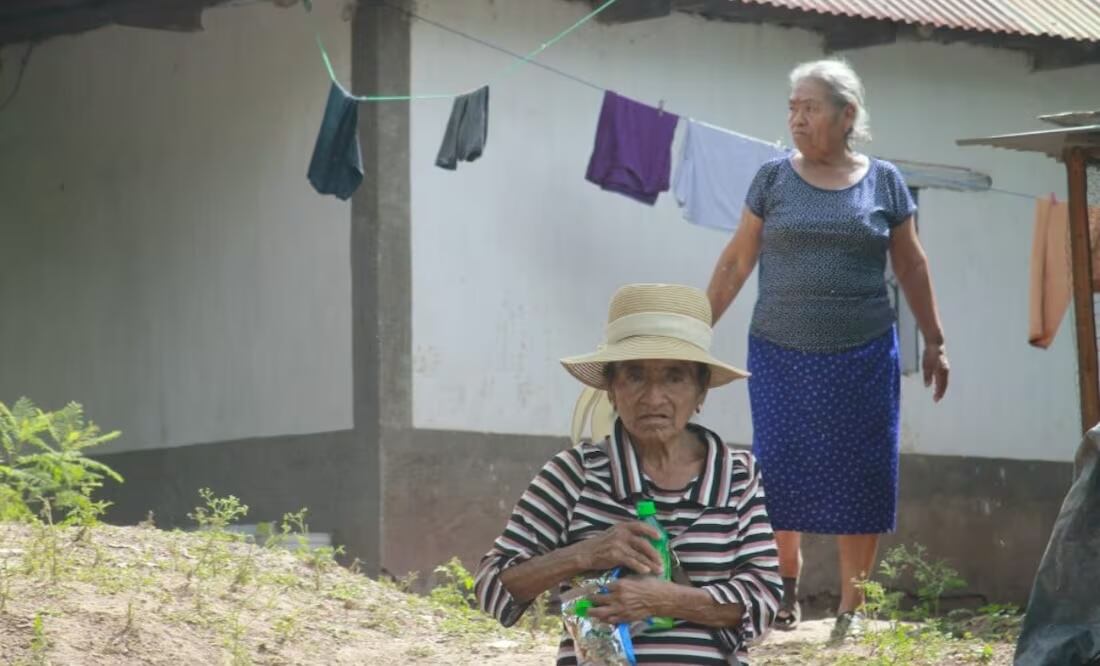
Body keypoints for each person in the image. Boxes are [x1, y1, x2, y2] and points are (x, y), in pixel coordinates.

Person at [705, 59, 950, 641]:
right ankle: (785, 583)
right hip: (779, 349)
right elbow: (739, 259)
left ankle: (852, 608)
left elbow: (911, 263)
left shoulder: (883, 181)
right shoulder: (771, 178)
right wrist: (696, 328)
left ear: (847, 116)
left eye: (809, 107)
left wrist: (935, 340)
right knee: (780, 464)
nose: (796, 119)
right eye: (792, 107)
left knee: (861, 470)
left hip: (863, 352)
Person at [474, 283, 782, 665]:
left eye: (674, 377)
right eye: (635, 376)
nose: (653, 398)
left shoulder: (737, 476)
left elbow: (765, 600)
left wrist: (662, 599)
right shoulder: (574, 474)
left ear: (701, 390)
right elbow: (492, 589)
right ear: (611, 389)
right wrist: (584, 554)